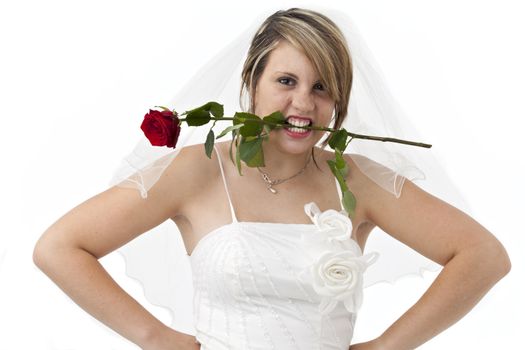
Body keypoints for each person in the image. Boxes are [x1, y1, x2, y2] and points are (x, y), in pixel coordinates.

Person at [32, 8, 511, 350]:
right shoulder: (197, 170)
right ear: (252, 83)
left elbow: (484, 256)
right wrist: (156, 338)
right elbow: (59, 247)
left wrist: (388, 347)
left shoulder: (357, 181)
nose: (303, 104)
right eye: (287, 81)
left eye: (321, 87)